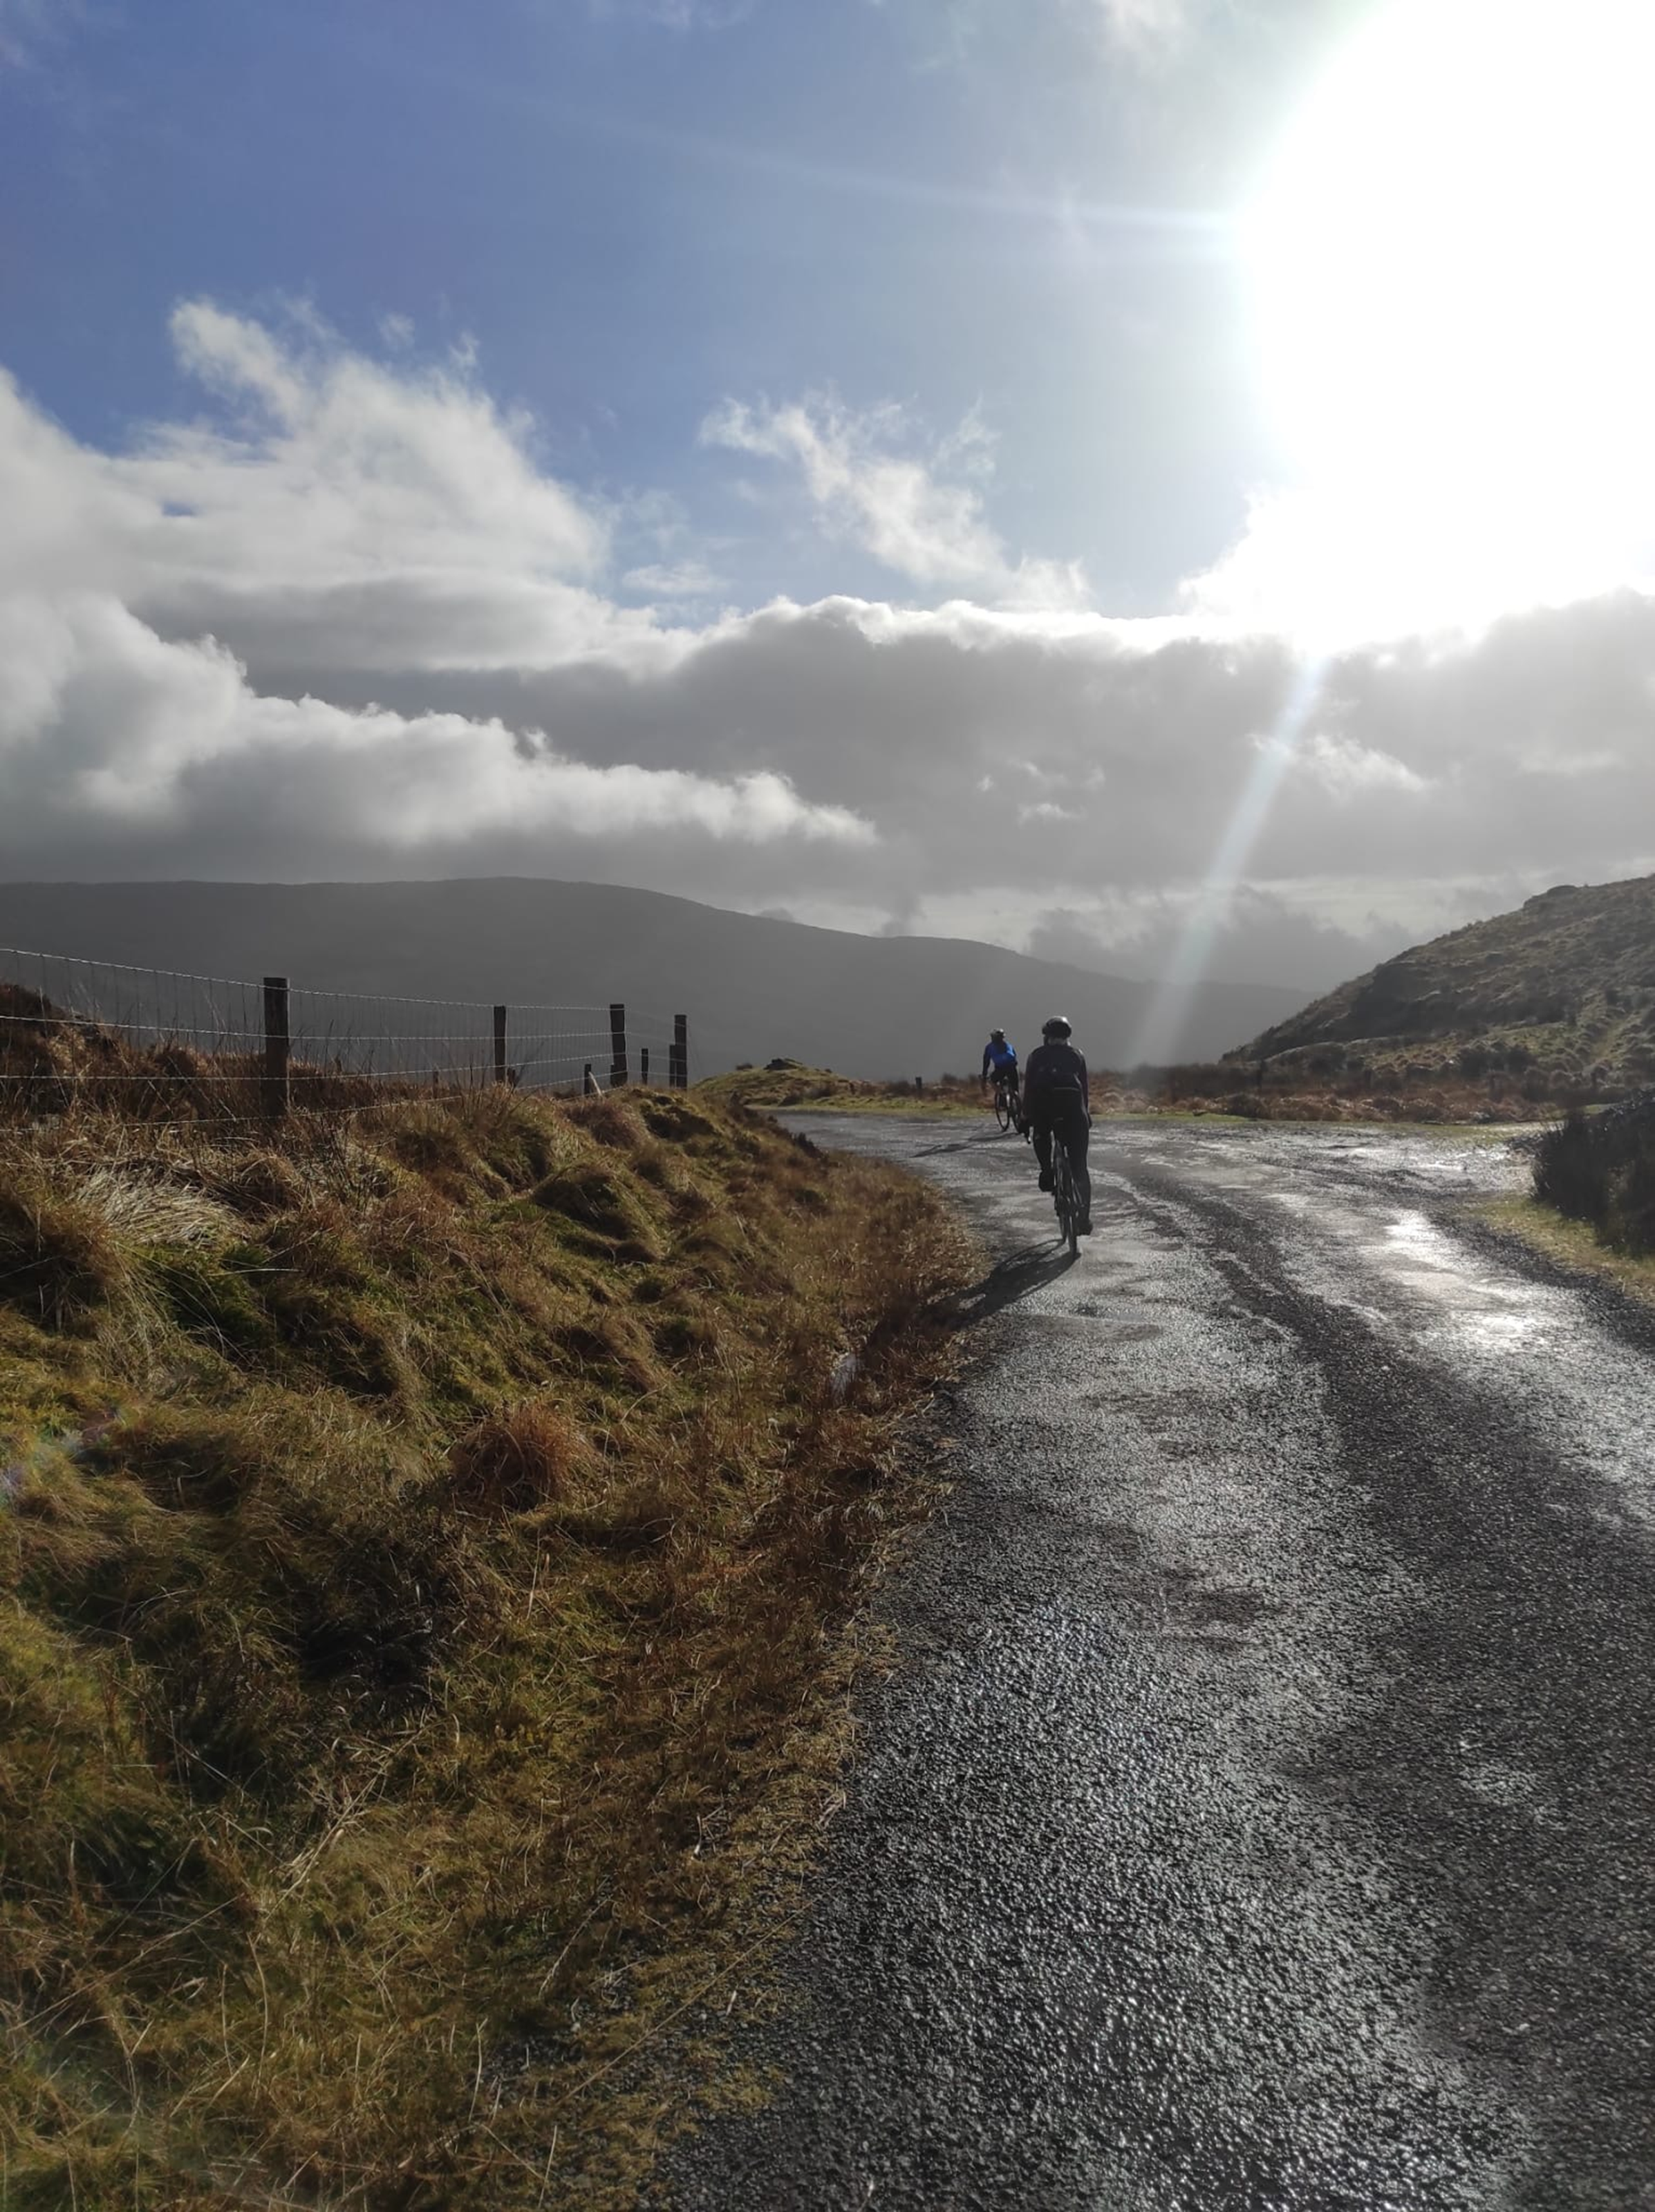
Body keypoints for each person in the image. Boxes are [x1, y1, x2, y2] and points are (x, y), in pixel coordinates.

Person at [1022, 1014, 1092, 1235]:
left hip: (1045, 1110)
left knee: (1041, 1135)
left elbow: (1029, 1090)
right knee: (1080, 1166)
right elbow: (1085, 1091)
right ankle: (1084, 1219)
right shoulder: (1078, 1055)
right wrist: (1086, 1114)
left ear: (1047, 1036)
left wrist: (1025, 1117)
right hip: (1075, 1112)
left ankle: (1046, 1171)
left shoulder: (1036, 1056)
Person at [980, 1027, 1020, 1106]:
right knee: (1015, 1089)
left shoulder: (989, 1047)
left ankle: (1002, 1095)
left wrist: (984, 1075)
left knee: (992, 1080)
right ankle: (1018, 1105)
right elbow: (1014, 1057)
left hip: (1000, 1069)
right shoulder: (1009, 1046)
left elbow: (986, 1062)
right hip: (1012, 1067)